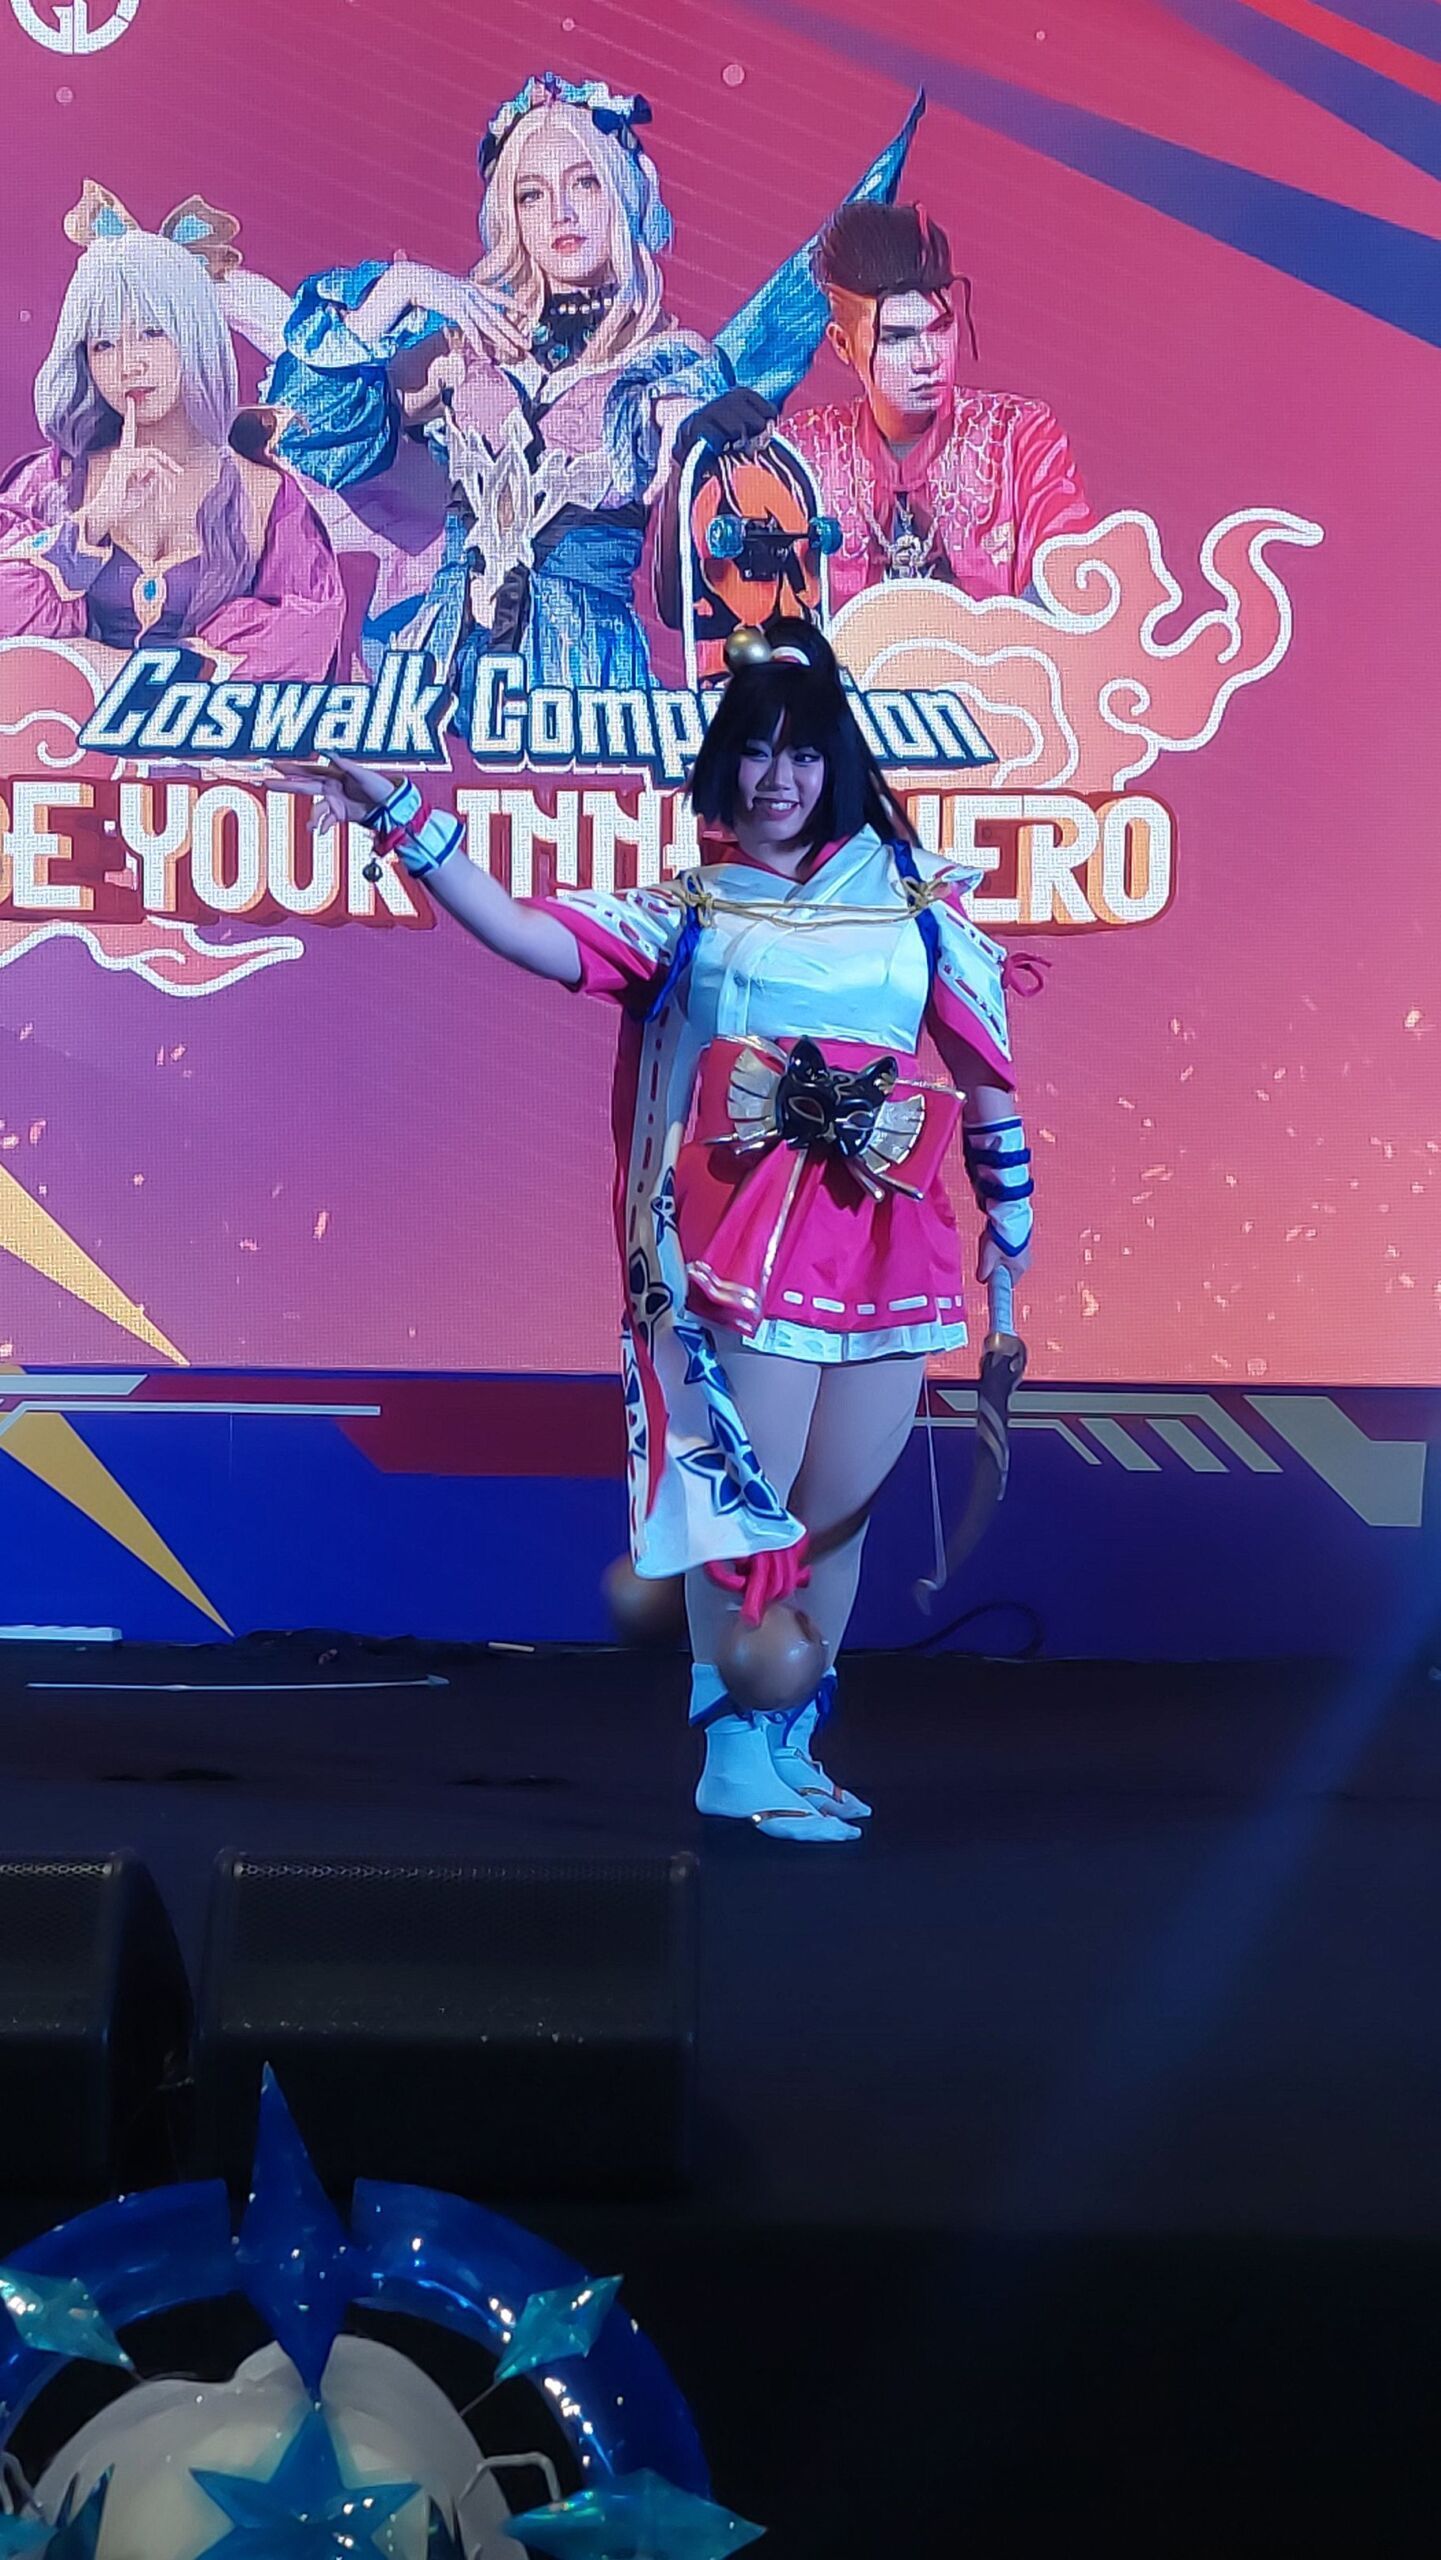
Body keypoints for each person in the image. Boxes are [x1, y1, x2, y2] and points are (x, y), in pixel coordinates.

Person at [290, 621, 1035, 1842]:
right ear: (723, 764)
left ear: (836, 766)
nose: (777, 778)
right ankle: (732, 1755)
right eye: (755, 752)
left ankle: (789, 1740)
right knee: (745, 1506)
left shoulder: (917, 904)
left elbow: (982, 1066)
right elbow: (524, 932)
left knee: (839, 1514)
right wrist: (406, 821)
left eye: (802, 754)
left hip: (886, 1236)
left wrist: (1012, 1208)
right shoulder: (684, 915)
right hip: (743, 1247)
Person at [666, 200, 1094, 621]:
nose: (928, 358)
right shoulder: (802, 456)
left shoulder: (1018, 437)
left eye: (941, 327)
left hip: (1000, 667)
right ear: (842, 344)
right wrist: (689, 471)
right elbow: (689, 604)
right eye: (897, 338)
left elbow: (1071, 602)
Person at [0, 184, 344, 685]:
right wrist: (91, 524)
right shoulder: (51, 481)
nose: (129, 364)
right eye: (103, 344)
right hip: (66, 733)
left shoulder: (267, 496)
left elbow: (299, 645)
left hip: (205, 735)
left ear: (195, 335)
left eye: (152, 333)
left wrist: (113, 667)